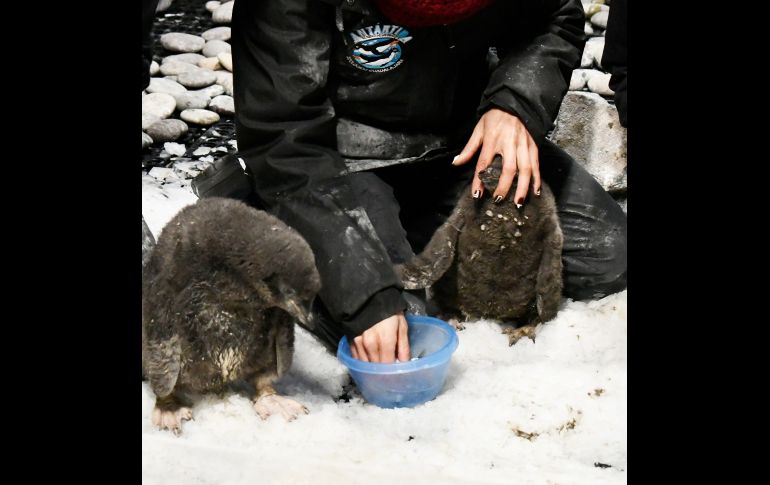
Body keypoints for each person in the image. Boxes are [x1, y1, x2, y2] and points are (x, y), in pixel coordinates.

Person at [192, 0, 627, 364]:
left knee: (609, 256)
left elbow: (555, 18)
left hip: (460, 138)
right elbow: (285, 138)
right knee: (400, 329)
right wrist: (365, 294)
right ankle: (267, 210)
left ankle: (405, 229)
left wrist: (514, 106)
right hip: (337, 159)